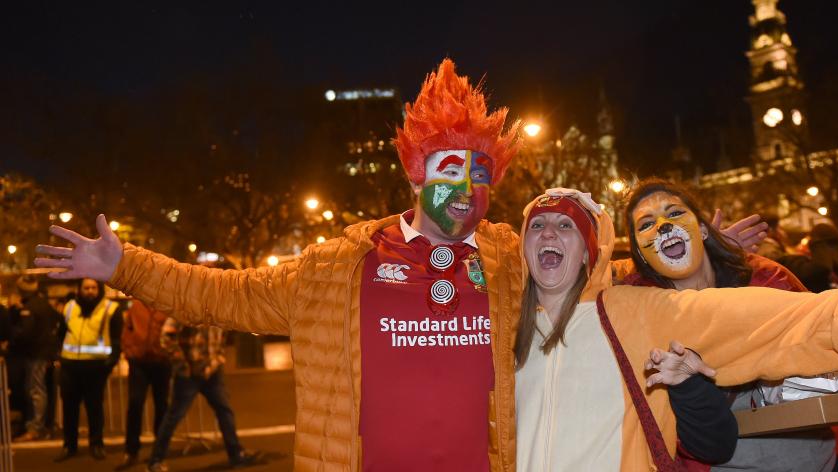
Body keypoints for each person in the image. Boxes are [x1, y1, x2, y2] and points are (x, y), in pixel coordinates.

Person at [36, 58, 525, 471]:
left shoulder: (510, 269)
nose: (467, 190)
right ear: (416, 181)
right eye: (450, 171)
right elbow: (223, 295)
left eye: (480, 175)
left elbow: (590, 288)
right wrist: (126, 267)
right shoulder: (335, 270)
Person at [515, 188, 838, 471]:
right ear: (640, 256)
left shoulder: (764, 279)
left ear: (700, 227)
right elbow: (589, 274)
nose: (662, 227)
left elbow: (804, 322)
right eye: (645, 226)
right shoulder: (635, 300)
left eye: (675, 214)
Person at [146, 318, 255, 471]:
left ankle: (236, 454)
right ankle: (155, 460)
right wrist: (182, 365)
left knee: (224, 411)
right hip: (189, 374)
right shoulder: (185, 310)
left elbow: (222, 337)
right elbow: (166, 338)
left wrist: (218, 359)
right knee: (174, 416)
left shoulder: (217, 310)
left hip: (212, 371)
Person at [56, 277, 124, 461]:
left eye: (94, 287)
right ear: (80, 289)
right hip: (70, 367)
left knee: (94, 409)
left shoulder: (110, 309)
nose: (90, 291)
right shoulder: (69, 307)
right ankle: (69, 446)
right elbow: (61, 334)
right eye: (86, 287)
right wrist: (59, 357)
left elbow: (117, 341)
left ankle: (96, 444)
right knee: (70, 410)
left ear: (99, 289)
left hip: (96, 368)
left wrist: (109, 364)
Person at [117, 299, 172, 470]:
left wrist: (167, 352)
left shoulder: (168, 306)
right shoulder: (137, 305)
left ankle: (159, 453)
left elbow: (173, 332)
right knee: (135, 403)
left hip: (161, 362)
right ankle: (131, 451)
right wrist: (129, 351)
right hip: (139, 362)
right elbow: (127, 330)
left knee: (161, 406)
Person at [9, 275, 64, 442]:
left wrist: (12, 340)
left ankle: (35, 428)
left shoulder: (30, 307)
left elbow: (25, 333)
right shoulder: (43, 304)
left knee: (35, 390)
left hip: (35, 354)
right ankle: (42, 425)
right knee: (38, 389)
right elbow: (60, 321)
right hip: (44, 353)